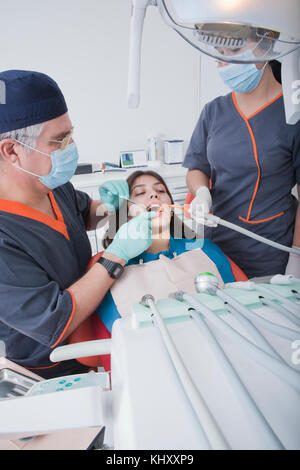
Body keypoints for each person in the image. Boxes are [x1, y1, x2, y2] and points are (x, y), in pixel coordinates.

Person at [0, 70, 154, 379]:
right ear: (12, 151)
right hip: (53, 367)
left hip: (98, 330)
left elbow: (83, 214)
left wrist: (115, 209)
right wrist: (116, 255)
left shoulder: (50, 184)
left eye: (71, 134)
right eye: (60, 141)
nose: (71, 146)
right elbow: (56, 320)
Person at [183, 38, 300, 279]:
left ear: (267, 46)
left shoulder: (292, 114)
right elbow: (196, 167)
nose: (227, 62)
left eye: (235, 50)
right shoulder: (214, 111)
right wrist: (201, 192)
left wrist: (297, 256)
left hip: (268, 251)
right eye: (220, 54)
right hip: (214, 246)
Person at [90, 171, 246, 343]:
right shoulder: (109, 266)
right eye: (140, 193)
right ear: (125, 212)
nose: (154, 194)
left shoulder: (205, 249)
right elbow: (118, 343)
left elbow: (244, 308)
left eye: (161, 191)